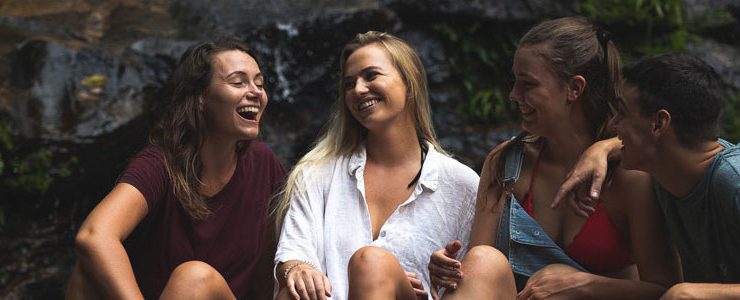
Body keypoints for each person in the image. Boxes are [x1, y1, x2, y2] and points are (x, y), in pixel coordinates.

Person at [428, 17, 681, 299]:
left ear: (574, 88)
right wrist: (453, 271)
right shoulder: (506, 162)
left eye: (527, 85)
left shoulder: (631, 175)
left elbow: (667, 292)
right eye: (515, 82)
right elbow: (480, 269)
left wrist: (579, 284)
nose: (513, 95)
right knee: (482, 259)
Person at [65, 37, 285, 300]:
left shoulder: (264, 164)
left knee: (194, 279)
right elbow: (94, 235)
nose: (256, 92)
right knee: (86, 274)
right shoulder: (159, 165)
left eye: (259, 84)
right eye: (238, 82)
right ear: (200, 97)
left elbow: (279, 258)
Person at [271, 31, 479, 300]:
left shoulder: (462, 185)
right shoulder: (316, 173)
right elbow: (293, 252)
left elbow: (478, 278)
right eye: (349, 84)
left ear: (409, 82)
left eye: (371, 75)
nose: (358, 89)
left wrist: (433, 275)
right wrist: (297, 267)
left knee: (373, 263)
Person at [554, 52, 740, 299]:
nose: (612, 125)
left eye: (622, 113)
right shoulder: (668, 172)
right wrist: (600, 149)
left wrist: (691, 293)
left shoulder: (732, 181)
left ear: (658, 124)